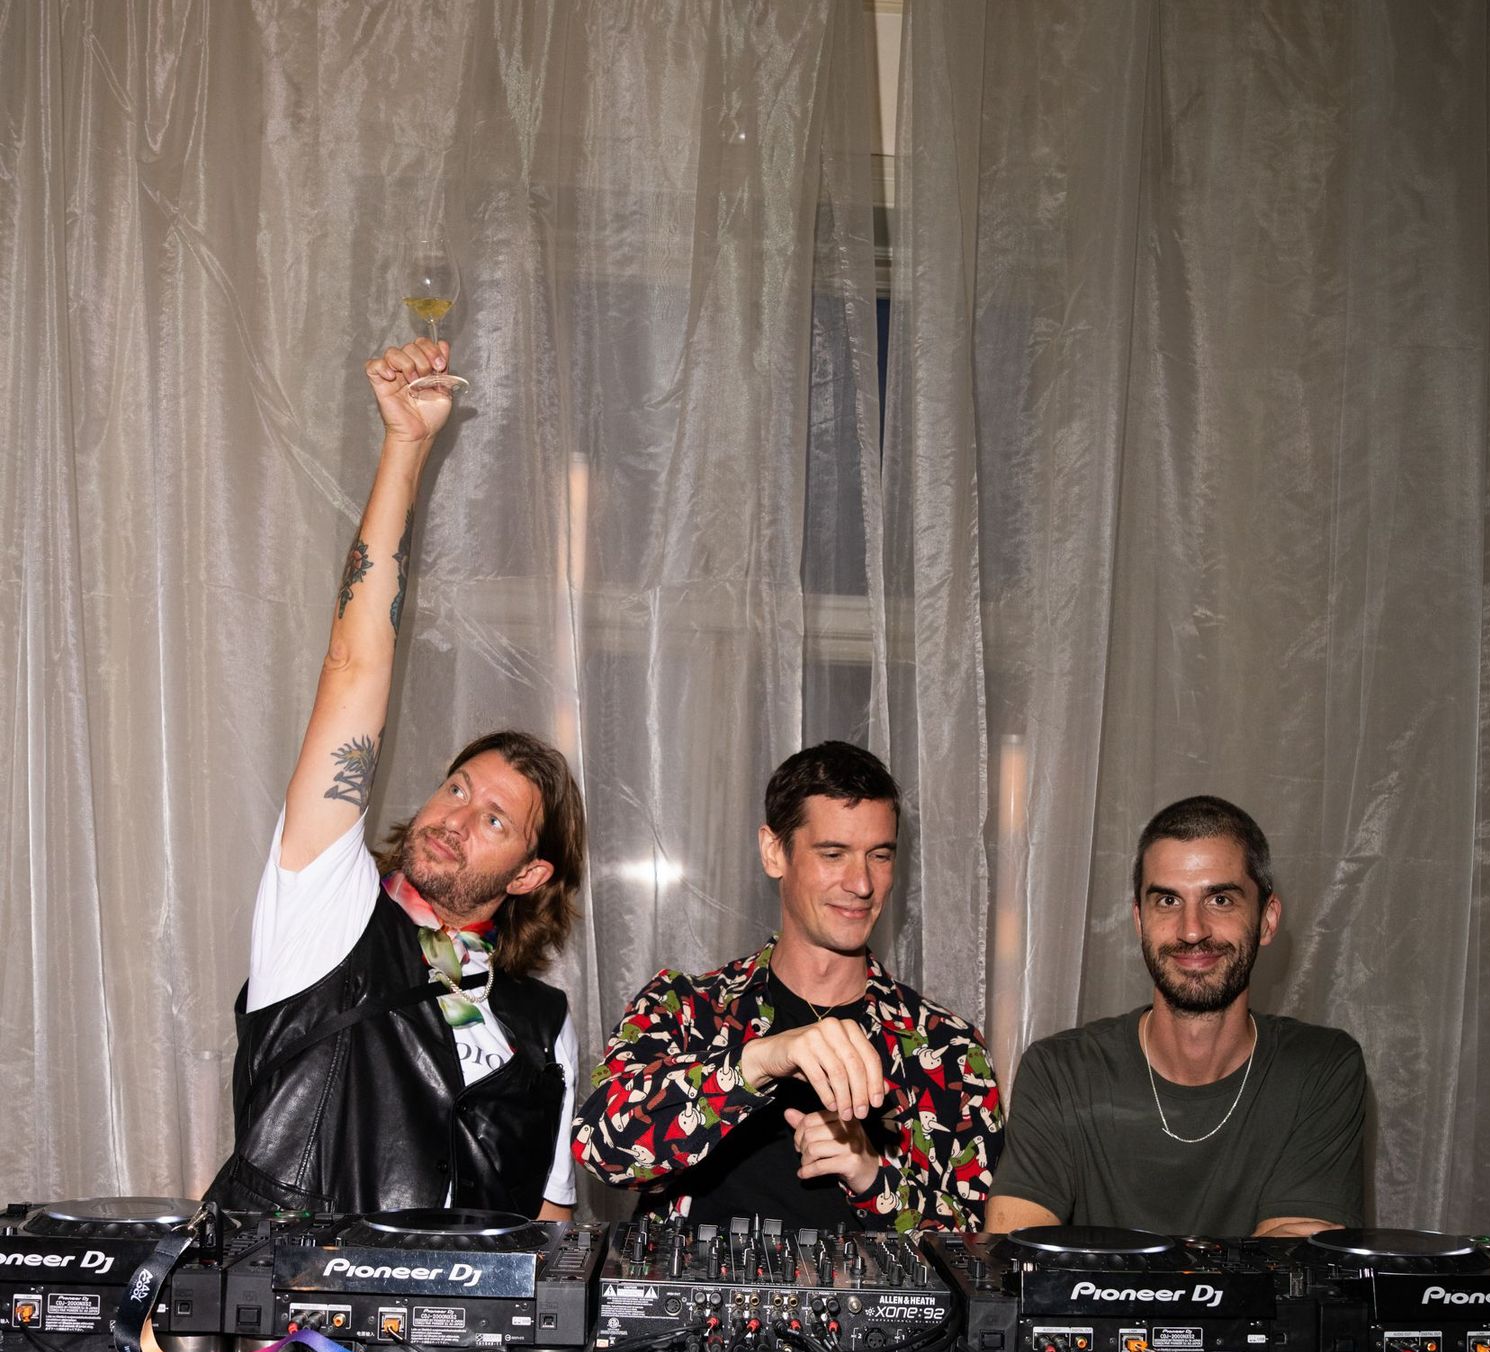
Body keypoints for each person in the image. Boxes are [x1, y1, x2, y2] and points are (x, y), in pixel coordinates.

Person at [208, 340, 585, 1218]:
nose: (457, 816)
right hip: (294, 1307)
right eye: (458, 788)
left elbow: (551, 1223)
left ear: (530, 874)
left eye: (495, 820)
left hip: (469, 1315)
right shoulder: (327, 913)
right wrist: (406, 448)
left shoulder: (543, 1024)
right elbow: (352, 667)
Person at [573, 742, 1001, 1230]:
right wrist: (759, 1061)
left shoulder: (948, 1049)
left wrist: (874, 1178)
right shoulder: (684, 1008)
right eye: (833, 854)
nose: (862, 884)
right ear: (774, 852)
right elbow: (601, 1149)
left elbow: (978, 1251)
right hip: (696, 1280)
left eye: (879, 855)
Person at [986, 796, 1366, 1239]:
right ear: (1139, 920)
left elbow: (1292, 1262)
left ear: (1267, 919)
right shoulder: (1061, 1071)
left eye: (1220, 899)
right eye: (1167, 900)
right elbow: (1015, 1252)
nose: (1192, 930)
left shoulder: (1319, 1068)